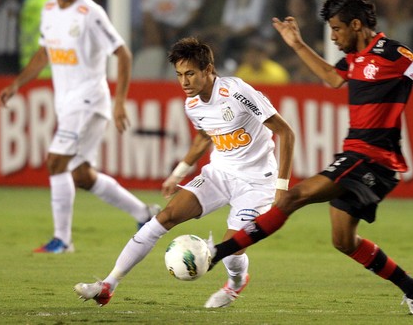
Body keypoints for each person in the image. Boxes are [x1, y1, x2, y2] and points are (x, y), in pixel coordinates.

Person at [206, 0, 413, 315]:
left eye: (336, 29)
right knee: (343, 240)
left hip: (373, 158)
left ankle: (217, 252)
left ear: (355, 24)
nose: (333, 37)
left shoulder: (393, 53)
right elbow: (330, 78)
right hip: (356, 156)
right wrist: (296, 44)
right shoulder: (353, 59)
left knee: (293, 197)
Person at [73, 37, 295, 308]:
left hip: (256, 183)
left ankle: (236, 283)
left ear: (208, 70)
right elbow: (204, 137)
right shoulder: (192, 105)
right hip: (219, 175)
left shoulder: (237, 92)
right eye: (179, 75)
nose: (184, 81)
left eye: (190, 73)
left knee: (231, 254)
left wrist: (282, 186)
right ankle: (108, 285)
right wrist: (178, 173)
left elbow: (285, 131)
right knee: (162, 218)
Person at [0, 0, 159, 253]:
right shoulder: (48, 10)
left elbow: (123, 53)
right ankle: (144, 214)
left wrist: (120, 100)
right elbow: (43, 54)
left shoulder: (90, 13)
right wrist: (17, 83)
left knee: (56, 162)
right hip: (69, 102)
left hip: (88, 99)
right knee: (81, 175)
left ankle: (63, 240)